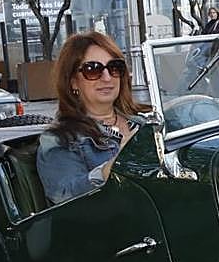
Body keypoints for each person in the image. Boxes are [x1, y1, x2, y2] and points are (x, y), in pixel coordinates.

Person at [37, 31, 150, 205]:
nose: (107, 78)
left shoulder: (144, 121)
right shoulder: (60, 138)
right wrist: (113, 167)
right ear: (73, 81)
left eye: (114, 68)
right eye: (93, 69)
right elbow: (66, 195)